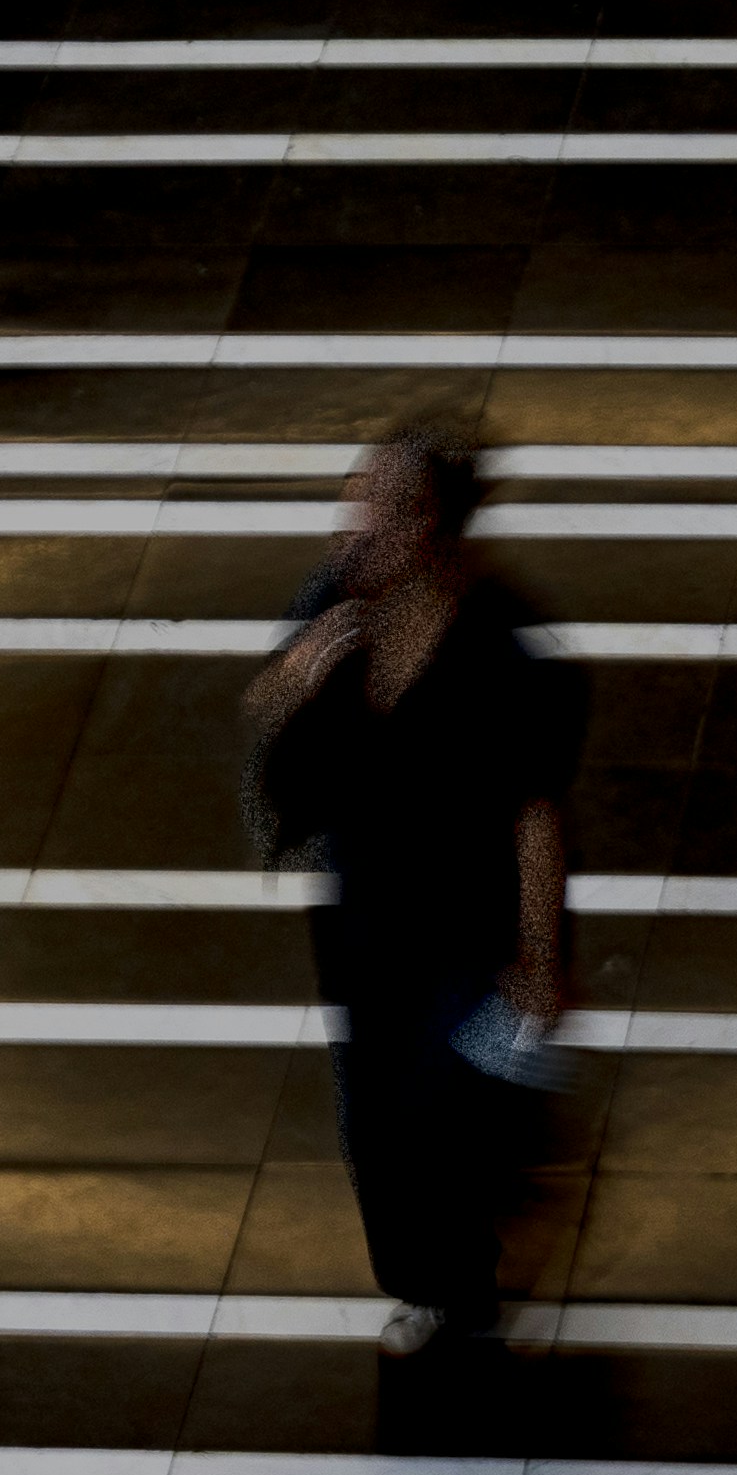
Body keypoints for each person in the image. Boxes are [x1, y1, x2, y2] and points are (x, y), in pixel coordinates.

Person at [242, 425, 586, 1358]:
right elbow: (267, 711)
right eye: (351, 504)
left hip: (465, 925)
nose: (351, 532)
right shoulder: (336, 610)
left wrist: (539, 955)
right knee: (375, 1124)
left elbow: (533, 816)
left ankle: (467, 1271)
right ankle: (427, 1282)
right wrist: (299, 678)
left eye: (380, 514)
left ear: (431, 530)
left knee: (443, 1114)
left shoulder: (502, 656)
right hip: (363, 917)